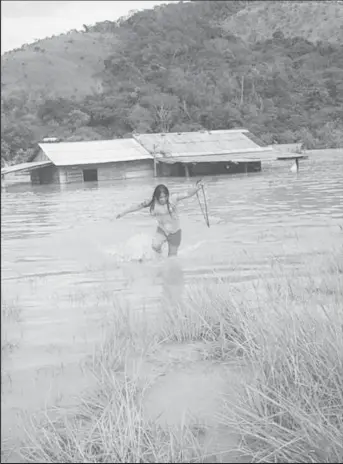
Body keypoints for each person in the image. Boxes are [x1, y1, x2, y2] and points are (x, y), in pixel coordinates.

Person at [116, 182, 204, 257]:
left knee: (172, 259)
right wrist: (123, 212)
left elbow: (187, 194)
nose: (163, 199)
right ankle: (160, 258)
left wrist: (197, 188)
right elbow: (137, 206)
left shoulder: (173, 199)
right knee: (155, 246)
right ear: (156, 197)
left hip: (175, 233)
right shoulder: (152, 202)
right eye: (161, 197)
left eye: (165, 196)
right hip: (162, 230)